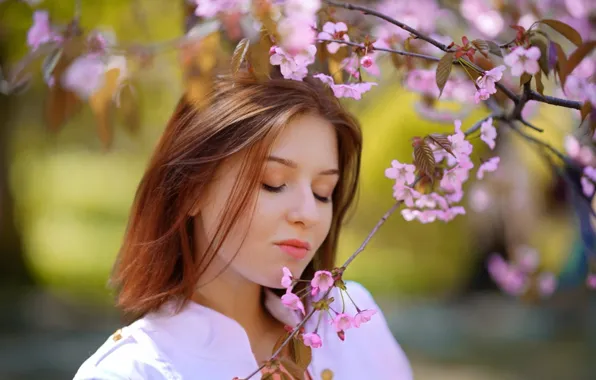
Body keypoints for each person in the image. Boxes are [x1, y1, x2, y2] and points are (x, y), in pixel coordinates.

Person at [73, 72, 413, 379]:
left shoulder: (346, 321)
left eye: (323, 192)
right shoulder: (132, 371)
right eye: (273, 182)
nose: (307, 214)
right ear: (192, 189)